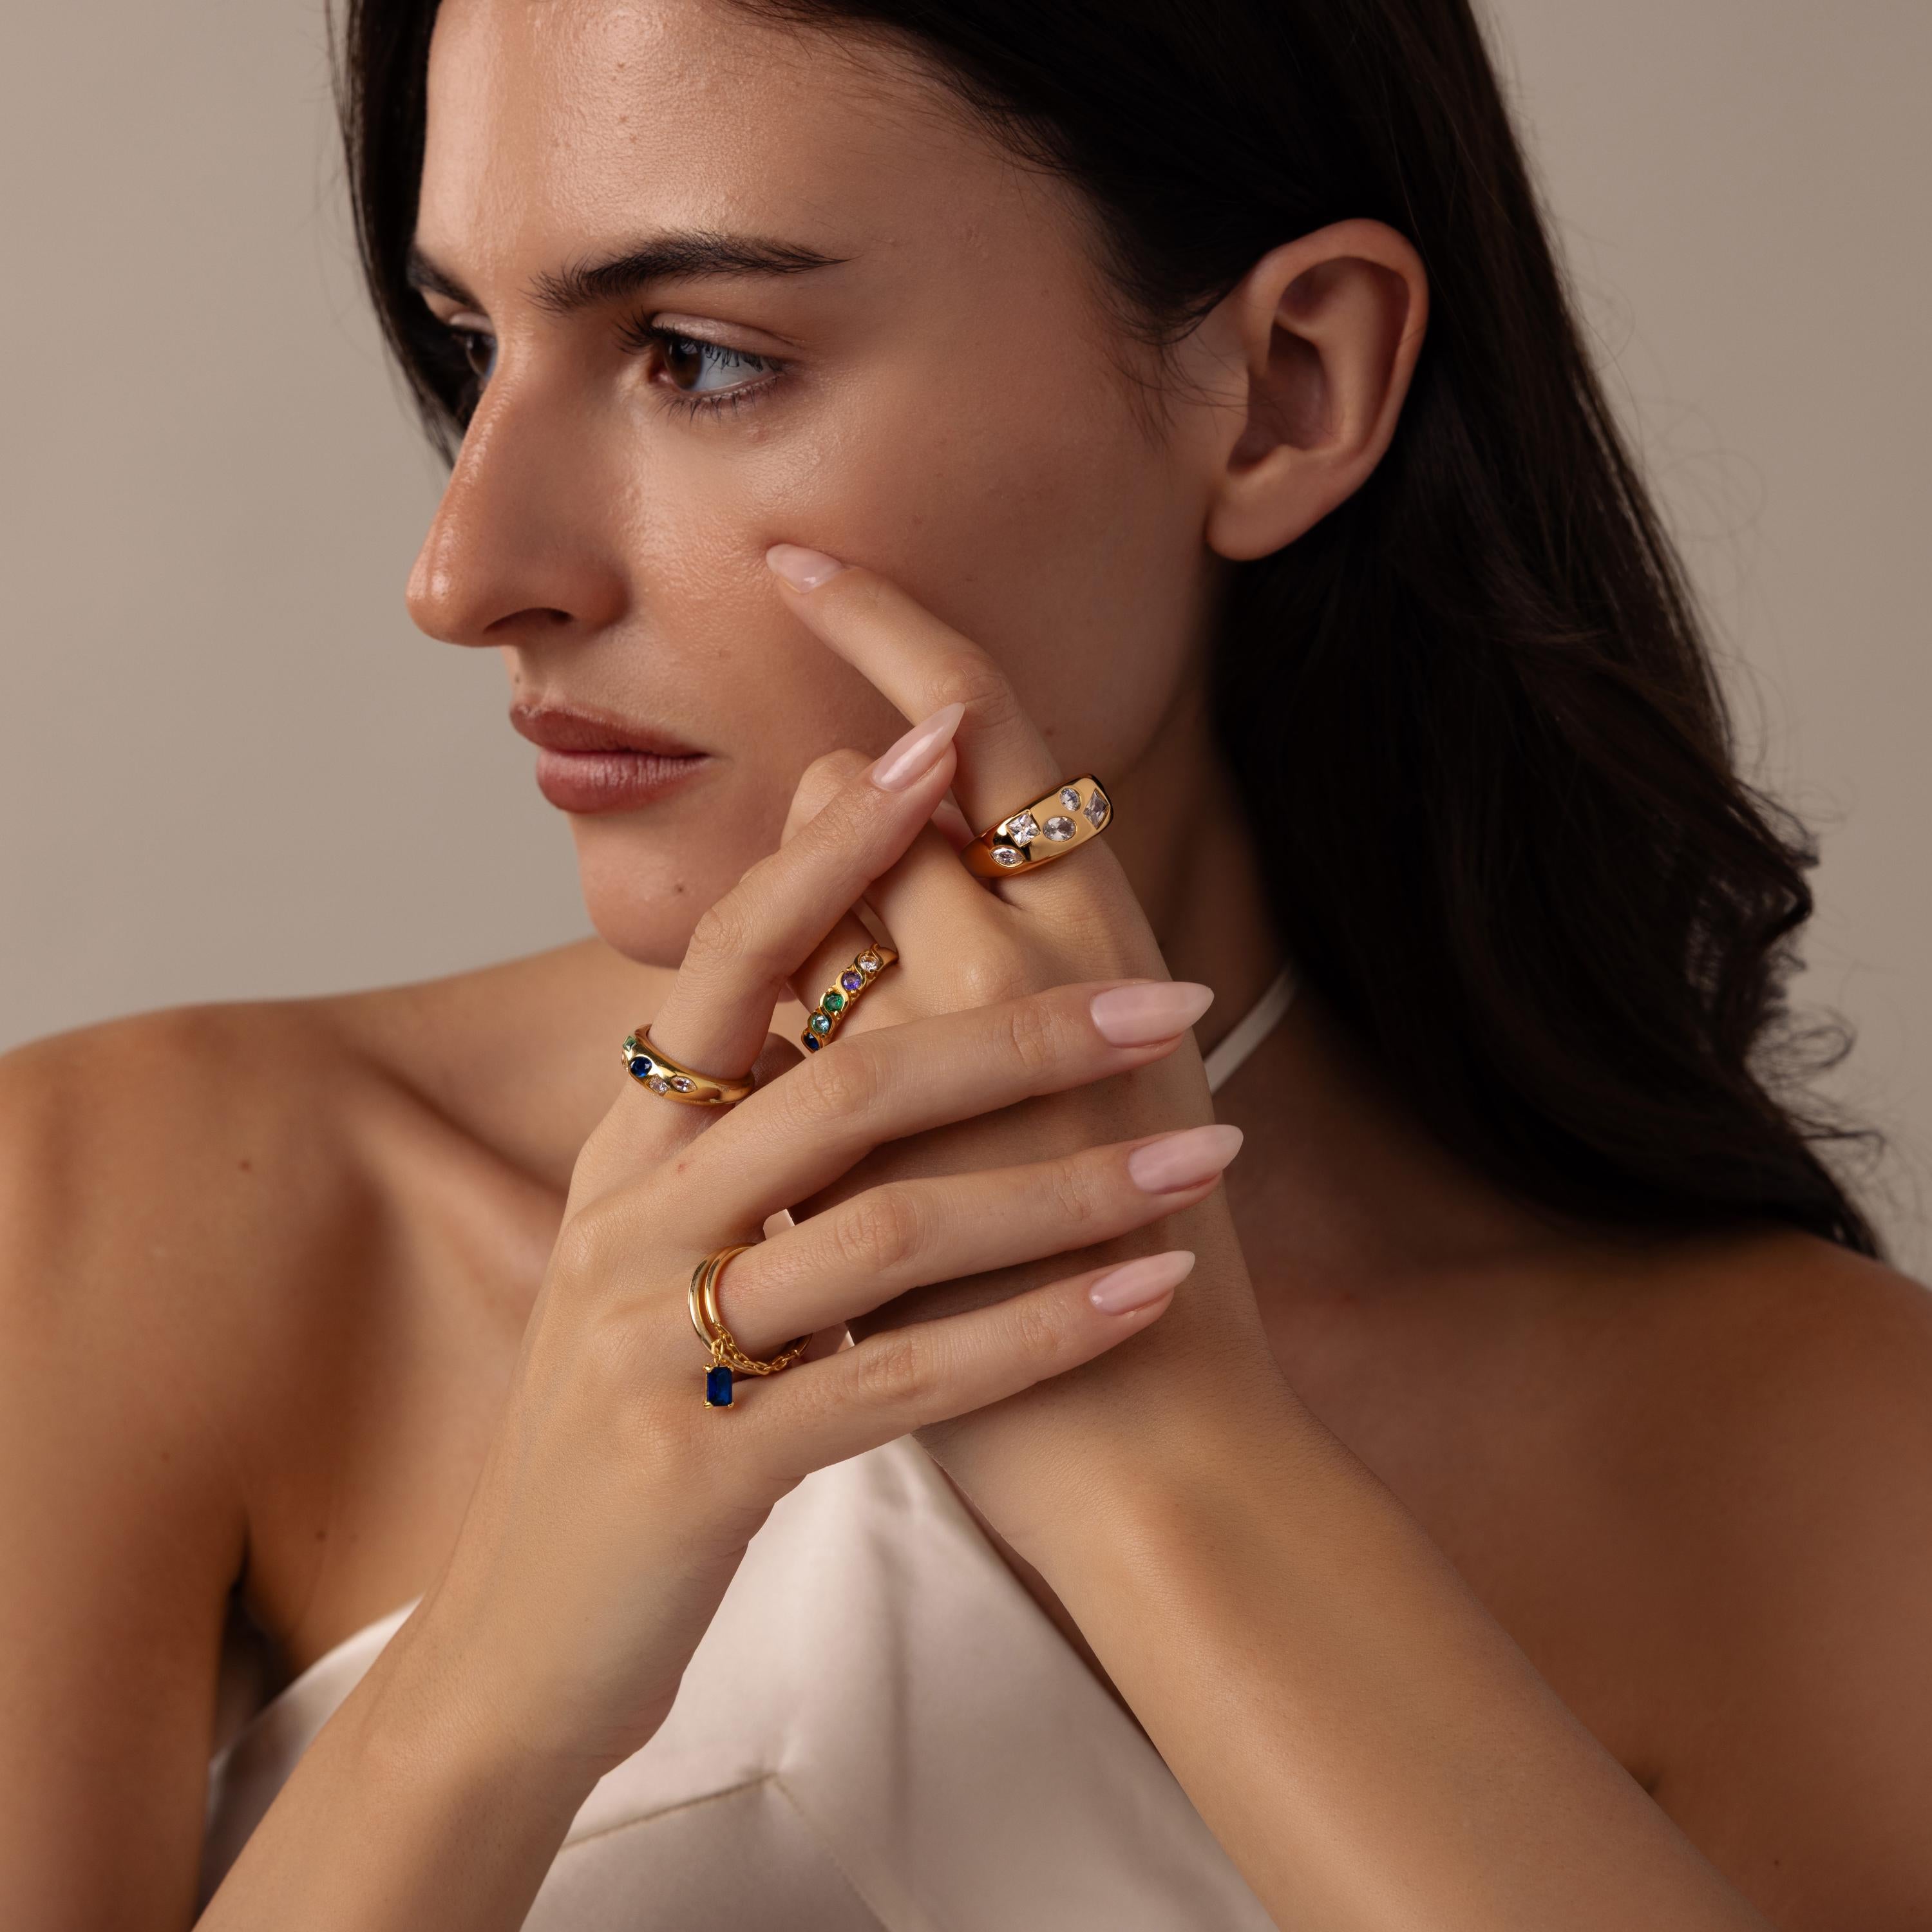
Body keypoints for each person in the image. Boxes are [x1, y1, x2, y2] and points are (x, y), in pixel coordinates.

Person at [3, 0, 1929, 1926]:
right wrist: (499, 1669)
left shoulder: (1819, 1471)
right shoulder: (140, 1218)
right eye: (470, 344)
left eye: (700, 356)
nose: (468, 565)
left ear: (1285, 388)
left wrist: (1173, 1479)